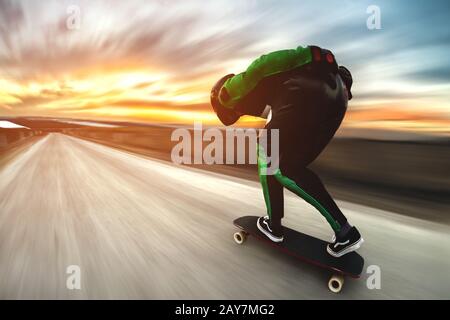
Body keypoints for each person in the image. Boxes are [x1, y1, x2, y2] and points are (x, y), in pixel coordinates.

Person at [210, 45, 363, 257]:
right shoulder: (274, 90)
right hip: (336, 100)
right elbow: (279, 113)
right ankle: (345, 232)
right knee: (291, 166)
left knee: (270, 157)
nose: (238, 113)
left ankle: (273, 227)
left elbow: (262, 64)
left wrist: (226, 94)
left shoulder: (237, 89)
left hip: (306, 91)